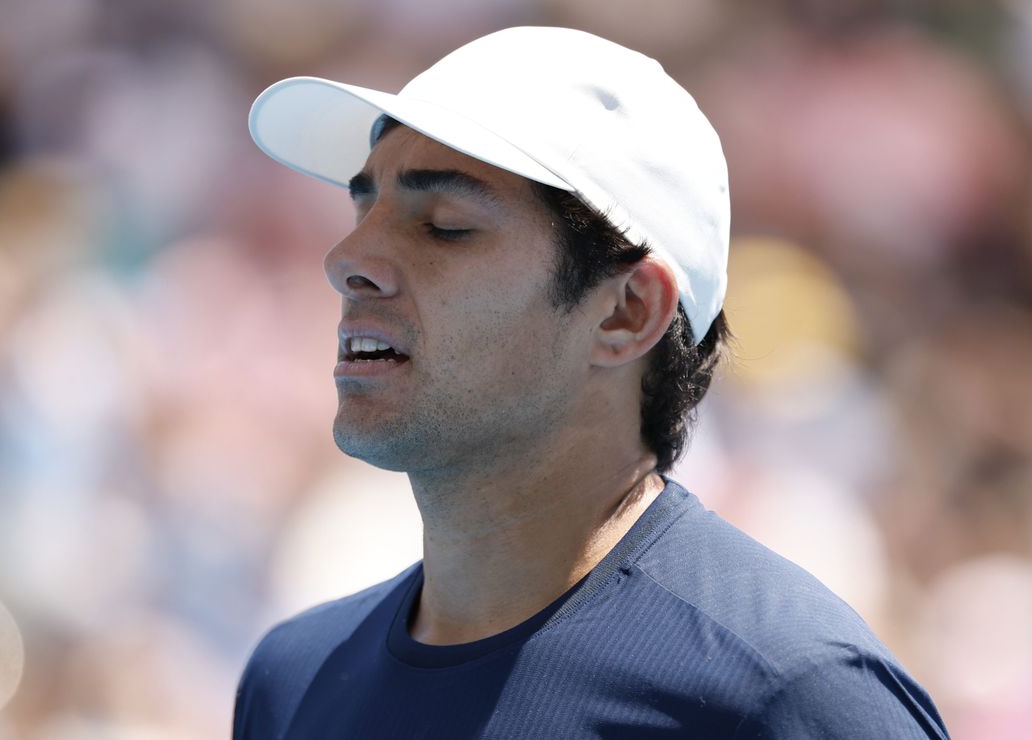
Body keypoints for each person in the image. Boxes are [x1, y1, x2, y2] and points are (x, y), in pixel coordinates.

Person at [234, 26, 948, 739]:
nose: (346, 258)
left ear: (626, 312)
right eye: (364, 207)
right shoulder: (292, 678)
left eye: (444, 225)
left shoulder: (794, 691)